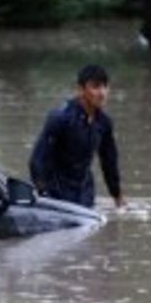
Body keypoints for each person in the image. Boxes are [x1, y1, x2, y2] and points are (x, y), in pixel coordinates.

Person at [29, 64, 125, 209]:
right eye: (96, 87)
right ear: (80, 90)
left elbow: (109, 162)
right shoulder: (61, 118)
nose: (102, 93)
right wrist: (43, 194)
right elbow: (37, 161)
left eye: (105, 87)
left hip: (85, 194)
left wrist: (117, 197)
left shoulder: (104, 123)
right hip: (56, 193)